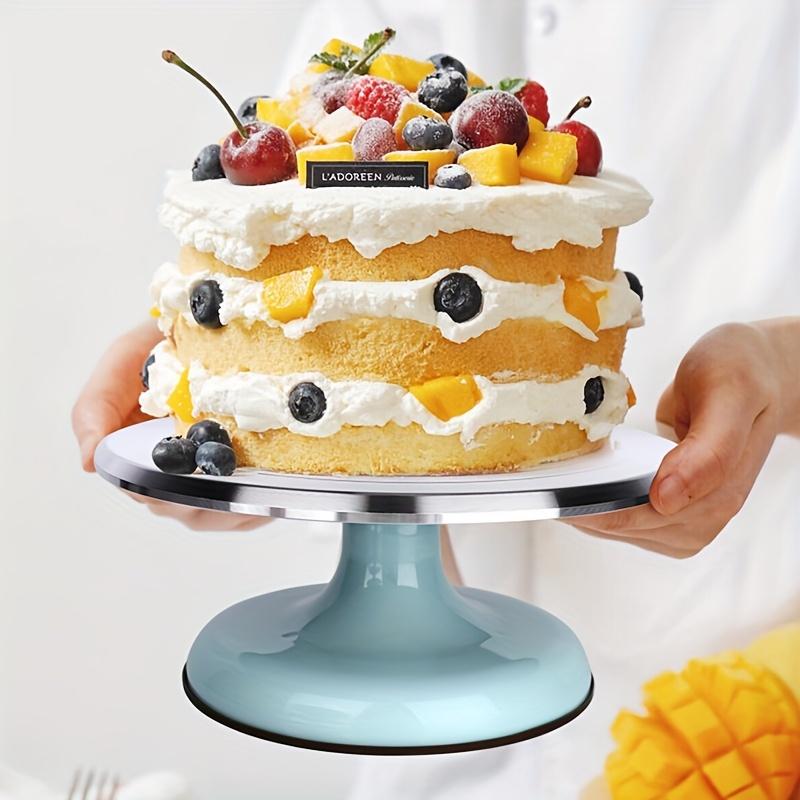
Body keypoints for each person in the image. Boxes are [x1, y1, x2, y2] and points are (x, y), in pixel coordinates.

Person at [73, 1, 800, 796]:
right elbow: (303, 197)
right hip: (416, 746)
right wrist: (226, 358)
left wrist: (778, 364)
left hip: (734, 702)